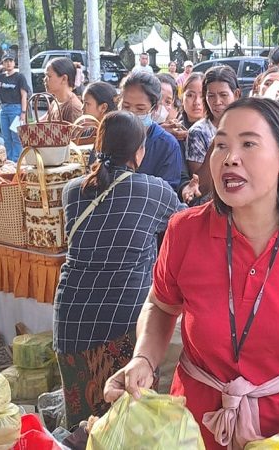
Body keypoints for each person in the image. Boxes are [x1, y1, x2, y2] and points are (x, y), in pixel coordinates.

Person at [104, 98, 279, 450]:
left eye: (248, 144)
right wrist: (144, 358)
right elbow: (160, 305)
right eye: (220, 145)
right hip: (191, 425)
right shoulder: (185, 230)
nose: (230, 157)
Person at [56, 111, 185, 426]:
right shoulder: (154, 190)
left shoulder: (71, 190)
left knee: (84, 426)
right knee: (129, 426)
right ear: (139, 152)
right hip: (125, 322)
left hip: (71, 320)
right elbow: (186, 225)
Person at [119, 72, 184, 189]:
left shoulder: (167, 145)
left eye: (140, 109)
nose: (131, 113)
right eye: (126, 107)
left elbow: (168, 192)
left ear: (155, 109)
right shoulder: (110, 135)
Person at [187, 66, 241, 201]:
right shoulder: (198, 132)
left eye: (223, 95)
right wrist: (216, 144)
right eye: (211, 96)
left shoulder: (248, 125)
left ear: (236, 94)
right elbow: (200, 186)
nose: (217, 102)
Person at [0, 55, 29, 161]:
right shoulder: (0, 77)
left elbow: (24, 95)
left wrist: (23, 112)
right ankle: (9, 159)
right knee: (6, 137)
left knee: (16, 136)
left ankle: (16, 160)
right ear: (3, 63)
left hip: (16, 109)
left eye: (11, 61)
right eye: (6, 61)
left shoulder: (19, 77)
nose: (8, 63)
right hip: (4, 109)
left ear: (14, 63)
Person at [45, 56, 83, 123]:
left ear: (64, 79)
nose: (45, 79)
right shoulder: (55, 102)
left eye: (49, 76)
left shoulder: (73, 108)